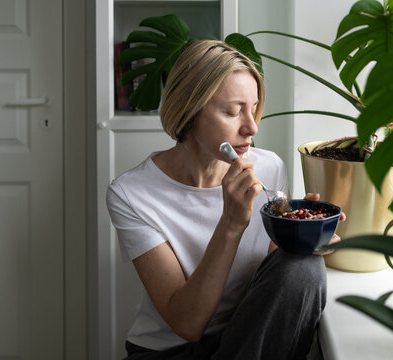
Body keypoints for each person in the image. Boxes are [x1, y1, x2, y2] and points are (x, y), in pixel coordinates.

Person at [106, 39, 345, 360]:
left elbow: (277, 277)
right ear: (190, 113)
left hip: (246, 335)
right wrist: (231, 223)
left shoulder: (269, 167)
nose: (252, 126)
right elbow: (187, 324)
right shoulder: (133, 193)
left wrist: (303, 232)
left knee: (304, 266)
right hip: (170, 351)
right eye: (233, 112)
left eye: (253, 108)